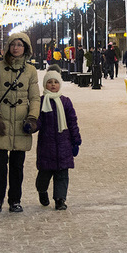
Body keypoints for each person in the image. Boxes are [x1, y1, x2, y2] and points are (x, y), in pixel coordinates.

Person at [0, 32, 41, 212]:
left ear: (26, 48)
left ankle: (15, 199)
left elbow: (35, 98)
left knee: (18, 165)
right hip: (0, 123)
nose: (16, 48)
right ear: (8, 46)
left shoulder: (31, 71)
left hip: (21, 124)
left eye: (20, 45)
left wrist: (32, 118)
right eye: (13, 44)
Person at [33, 68, 81, 210]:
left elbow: (72, 122)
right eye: (49, 82)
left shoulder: (66, 102)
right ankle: (42, 190)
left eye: (56, 82)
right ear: (44, 85)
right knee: (44, 174)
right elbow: (38, 121)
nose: (53, 85)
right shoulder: (41, 102)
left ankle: (60, 199)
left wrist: (76, 141)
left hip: (63, 145)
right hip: (46, 146)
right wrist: (31, 126)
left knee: (62, 175)